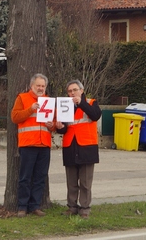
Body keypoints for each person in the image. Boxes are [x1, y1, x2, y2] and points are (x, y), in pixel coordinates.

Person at [55, 80, 102, 219]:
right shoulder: (65, 106)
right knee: (71, 182)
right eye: (69, 91)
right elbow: (64, 129)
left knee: (85, 182)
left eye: (75, 90)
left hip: (87, 147)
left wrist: (81, 103)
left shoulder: (91, 102)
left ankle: (85, 208)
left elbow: (95, 115)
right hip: (70, 146)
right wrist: (59, 127)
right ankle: (72, 207)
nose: (72, 93)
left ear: (81, 91)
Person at [11, 73, 55, 218]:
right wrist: (30, 109)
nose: (41, 88)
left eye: (43, 86)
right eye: (38, 85)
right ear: (32, 86)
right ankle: (22, 207)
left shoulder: (49, 101)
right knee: (25, 177)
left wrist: (52, 125)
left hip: (44, 144)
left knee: (40, 177)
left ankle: (35, 206)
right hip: (28, 144)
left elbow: (54, 123)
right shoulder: (22, 98)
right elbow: (15, 117)